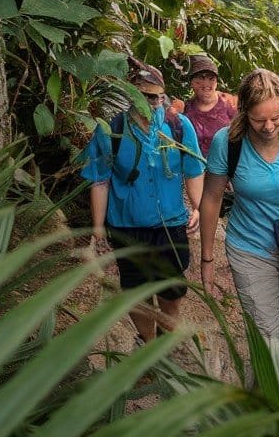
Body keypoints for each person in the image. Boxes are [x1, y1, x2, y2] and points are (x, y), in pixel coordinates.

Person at [198, 69, 279, 343]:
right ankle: (269, 372)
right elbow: (211, 197)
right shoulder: (228, 142)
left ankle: (268, 374)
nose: (269, 127)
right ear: (244, 112)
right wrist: (207, 258)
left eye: (276, 118)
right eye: (259, 120)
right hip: (251, 247)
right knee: (266, 336)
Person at [81, 62, 205, 343]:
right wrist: (98, 227)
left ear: (163, 96)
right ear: (130, 94)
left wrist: (196, 207)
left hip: (170, 223)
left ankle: (167, 336)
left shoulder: (177, 126)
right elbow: (100, 179)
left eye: (155, 96)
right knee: (136, 290)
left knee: (171, 289)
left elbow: (193, 169)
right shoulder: (110, 129)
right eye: (142, 94)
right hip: (127, 224)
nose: (149, 102)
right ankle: (147, 343)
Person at [178, 54, 236, 158]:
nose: (206, 84)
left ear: (216, 82)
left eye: (211, 79)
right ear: (191, 82)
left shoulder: (229, 103)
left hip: (227, 166)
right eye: (200, 78)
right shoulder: (187, 108)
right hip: (198, 167)